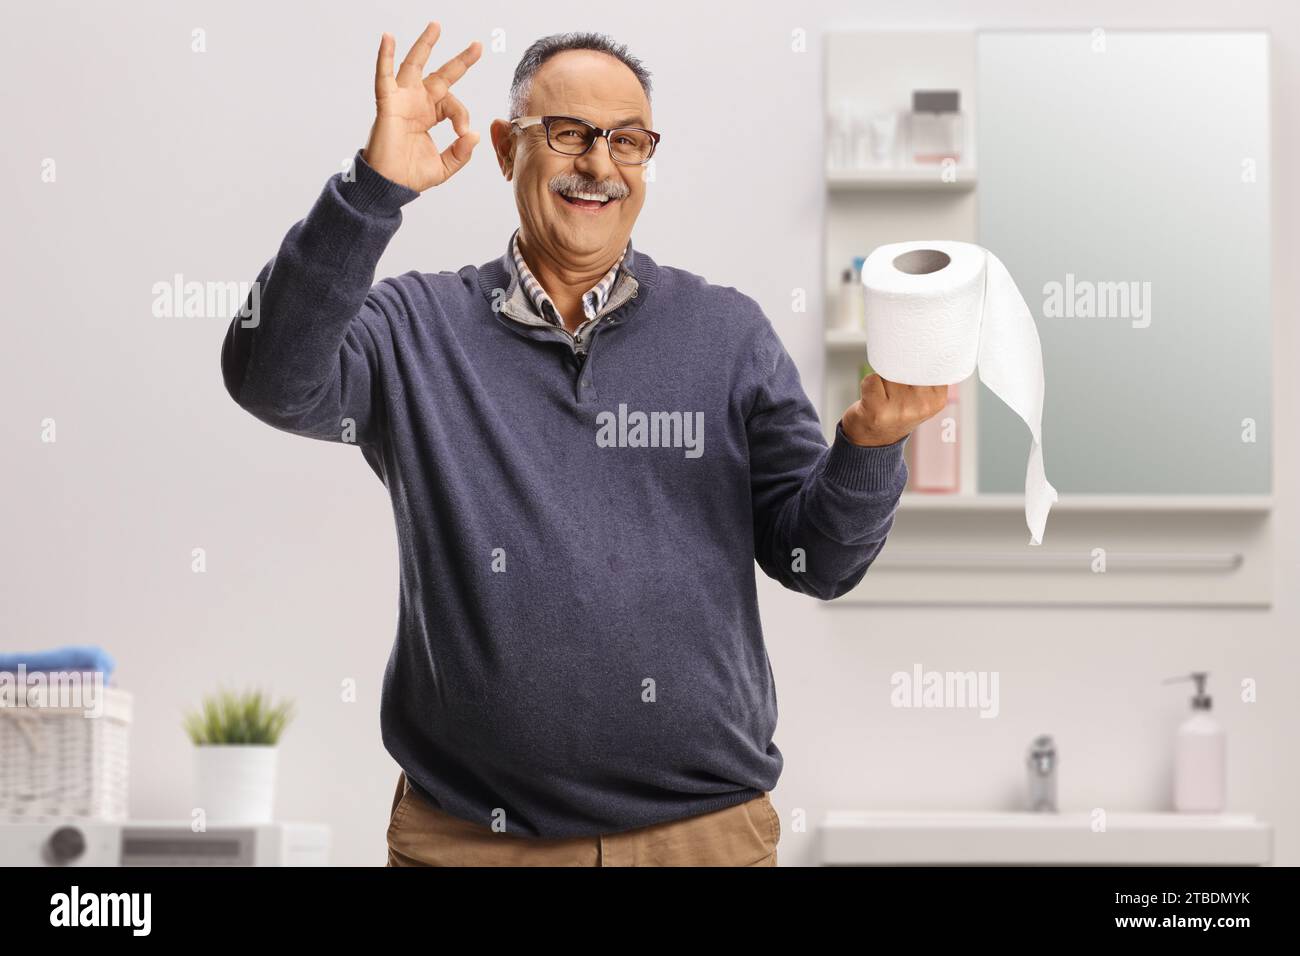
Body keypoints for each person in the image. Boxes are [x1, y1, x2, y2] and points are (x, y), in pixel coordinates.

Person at [219, 22, 948, 866]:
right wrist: (373, 187)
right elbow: (268, 378)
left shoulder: (727, 332)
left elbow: (817, 564)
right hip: (470, 841)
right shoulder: (416, 328)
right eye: (569, 134)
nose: (600, 164)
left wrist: (867, 446)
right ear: (504, 148)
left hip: (702, 838)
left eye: (627, 141)